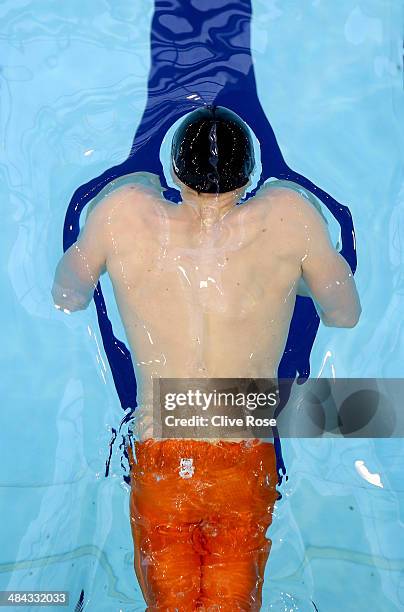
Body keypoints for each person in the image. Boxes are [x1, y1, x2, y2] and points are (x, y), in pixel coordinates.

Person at [52, 105, 361, 610]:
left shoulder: (122, 210)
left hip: (162, 453)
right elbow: (344, 313)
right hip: (243, 452)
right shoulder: (290, 216)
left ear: (175, 171)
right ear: (249, 173)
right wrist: (283, 281)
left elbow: (68, 295)